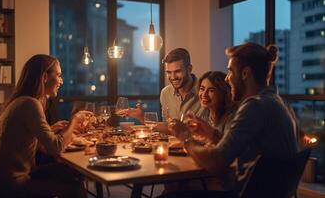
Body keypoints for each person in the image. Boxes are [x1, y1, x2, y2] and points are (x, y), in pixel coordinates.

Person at [168, 42, 298, 197]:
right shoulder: (277, 102)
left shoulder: (254, 107)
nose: (227, 79)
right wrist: (212, 134)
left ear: (245, 73)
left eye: (230, 72)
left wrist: (186, 138)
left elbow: (216, 163)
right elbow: (237, 148)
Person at [0, 54, 89, 197]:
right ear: (44, 77)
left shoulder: (20, 102)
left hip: (4, 179)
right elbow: (56, 148)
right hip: (11, 184)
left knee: (74, 172)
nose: (61, 81)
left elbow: (37, 146)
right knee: (73, 185)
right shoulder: (30, 104)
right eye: (58, 75)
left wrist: (50, 130)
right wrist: (75, 120)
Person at [122, 48, 208, 124]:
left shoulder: (205, 92)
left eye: (177, 71)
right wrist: (142, 117)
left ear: (189, 69)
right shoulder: (165, 93)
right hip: (173, 142)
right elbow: (168, 128)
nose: (173, 77)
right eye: (169, 72)